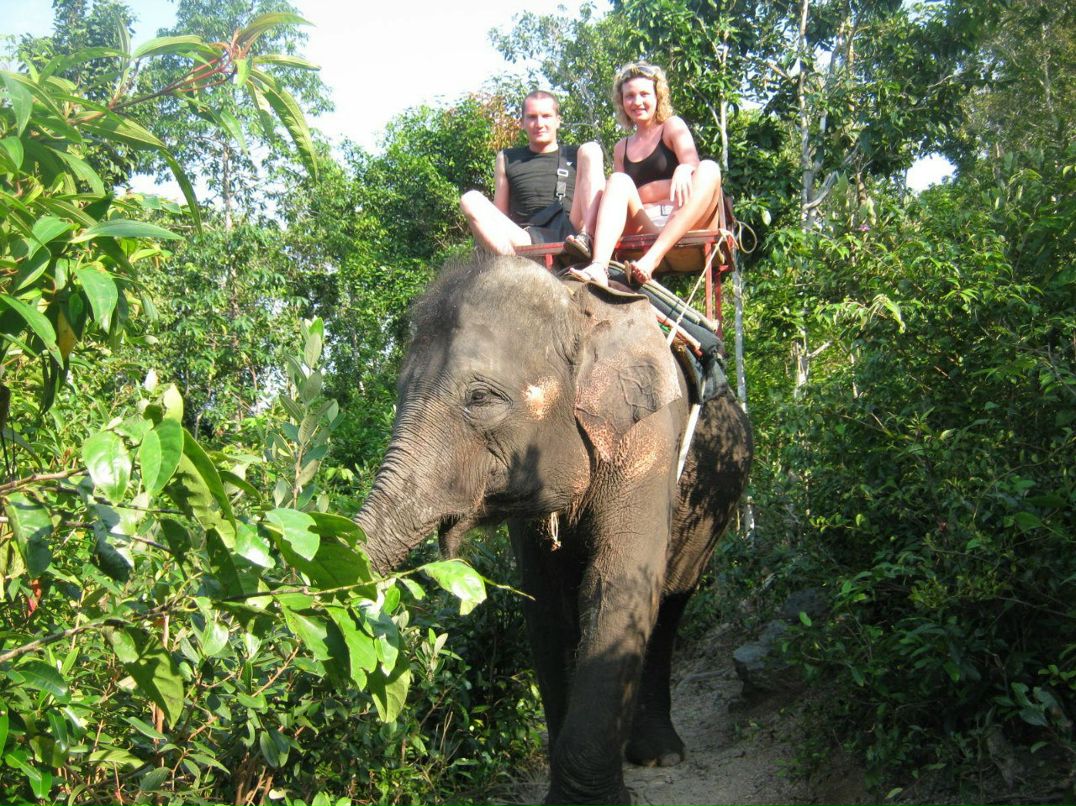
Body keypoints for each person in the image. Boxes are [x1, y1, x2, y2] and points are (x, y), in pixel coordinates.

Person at [571, 62, 724, 287]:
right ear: (622, 102)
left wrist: (685, 168)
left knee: (710, 168)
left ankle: (651, 259)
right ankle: (598, 266)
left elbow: (693, 163)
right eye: (630, 96)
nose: (637, 102)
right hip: (646, 222)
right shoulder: (621, 148)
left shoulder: (671, 127)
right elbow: (621, 197)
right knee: (617, 180)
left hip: (682, 218)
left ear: (657, 96)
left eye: (644, 94)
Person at [460, 90, 604, 256]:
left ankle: (588, 238)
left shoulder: (577, 153)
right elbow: (500, 214)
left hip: (571, 229)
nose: (539, 123)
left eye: (546, 116)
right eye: (532, 117)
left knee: (591, 148)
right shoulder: (507, 158)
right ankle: (513, 264)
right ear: (522, 123)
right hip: (526, 237)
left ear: (558, 121)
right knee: (469, 199)